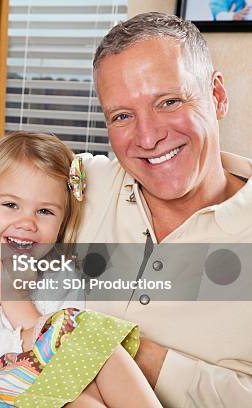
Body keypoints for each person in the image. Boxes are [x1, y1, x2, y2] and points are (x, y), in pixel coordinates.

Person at [78, 12, 252, 407]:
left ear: (217, 96)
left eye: (169, 102)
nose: (149, 136)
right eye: (122, 116)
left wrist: (134, 353)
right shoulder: (84, 186)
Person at [0, 132, 161, 407]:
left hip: (53, 391)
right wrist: (22, 316)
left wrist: (17, 299)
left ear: (62, 222)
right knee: (85, 337)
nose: (27, 222)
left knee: (96, 369)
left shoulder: (60, 273)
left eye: (45, 212)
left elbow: (69, 357)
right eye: (10, 205)